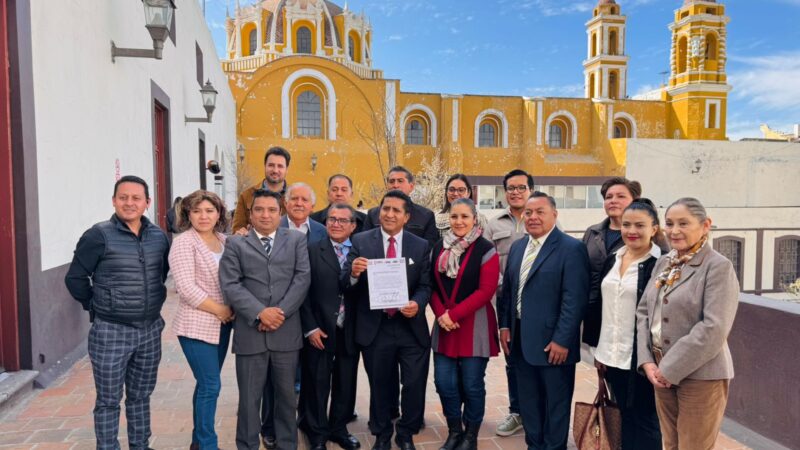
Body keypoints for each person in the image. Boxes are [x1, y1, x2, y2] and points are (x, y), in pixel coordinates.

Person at [64, 175, 170, 450]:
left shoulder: (158, 236)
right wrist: (96, 306)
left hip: (149, 331)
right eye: (123, 197)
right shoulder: (98, 235)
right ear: (114, 201)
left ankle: (140, 445)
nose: (129, 203)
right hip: (111, 331)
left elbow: (161, 274)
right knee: (109, 399)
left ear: (147, 202)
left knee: (140, 396)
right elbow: (75, 278)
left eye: (136, 198)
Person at [636, 197, 739, 450]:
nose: (674, 230)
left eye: (684, 223)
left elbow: (713, 328)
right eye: (669, 223)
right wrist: (647, 361)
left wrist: (668, 369)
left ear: (705, 225)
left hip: (701, 375)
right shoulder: (665, 262)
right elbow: (643, 313)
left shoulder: (717, 267)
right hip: (660, 373)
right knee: (670, 443)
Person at [497, 191, 590, 450]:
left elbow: (574, 300)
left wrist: (562, 340)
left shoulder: (572, 248)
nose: (533, 217)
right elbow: (508, 291)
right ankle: (534, 445)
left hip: (553, 346)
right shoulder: (518, 247)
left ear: (554, 215)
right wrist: (504, 325)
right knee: (529, 404)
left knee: (555, 406)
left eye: (540, 212)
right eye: (529, 212)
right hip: (520, 343)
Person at [219, 189, 311, 450]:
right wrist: (260, 312)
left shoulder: (295, 240)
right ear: (250, 213)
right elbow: (231, 284)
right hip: (251, 333)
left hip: (286, 332)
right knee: (249, 401)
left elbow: (302, 279)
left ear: (280, 212)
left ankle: (286, 445)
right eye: (259, 209)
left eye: (271, 210)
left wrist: (278, 313)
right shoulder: (236, 243)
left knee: (286, 399)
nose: (265, 215)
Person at [342, 190, 432, 450]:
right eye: (385, 209)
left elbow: (426, 285)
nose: (389, 214)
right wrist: (354, 274)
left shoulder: (420, 245)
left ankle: (405, 432)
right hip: (375, 326)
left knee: (414, 382)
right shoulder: (360, 241)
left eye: (396, 210)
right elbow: (346, 284)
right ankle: (382, 434)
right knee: (380, 383)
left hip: (410, 326)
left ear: (406, 216)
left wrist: (417, 302)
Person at [584, 199, 665, 449]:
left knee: (646, 421)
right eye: (627, 224)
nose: (631, 230)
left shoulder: (660, 264)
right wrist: (598, 348)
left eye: (640, 225)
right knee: (621, 418)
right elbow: (602, 307)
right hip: (612, 354)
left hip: (643, 358)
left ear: (654, 228)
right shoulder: (613, 259)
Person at [429, 198, 500, 450]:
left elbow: (486, 290)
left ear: (474, 219)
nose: (459, 222)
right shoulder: (438, 247)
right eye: (454, 216)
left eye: (464, 217)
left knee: (471, 384)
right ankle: (454, 431)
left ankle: (470, 436)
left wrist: (453, 315)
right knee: (444, 382)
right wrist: (441, 315)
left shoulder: (486, 248)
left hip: (474, 325)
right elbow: (431, 287)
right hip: (444, 326)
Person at [168, 190, 234, 450]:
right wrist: (220, 309)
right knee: (210, 385)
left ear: (219, 213)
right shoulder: (184, 242)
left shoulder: (225, 240)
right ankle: (208, 444)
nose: (203, 216)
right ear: (188, 214)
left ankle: (197, 442)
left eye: (209, 210)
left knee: (206, 383)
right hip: (196, 325)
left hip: (222, 326)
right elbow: (186, 288)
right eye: (196, 211)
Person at [299, 204, 362, 450]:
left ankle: (339, 428)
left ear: (353, 225)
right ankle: (317, 432)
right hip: (320, 328)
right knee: (317, 381)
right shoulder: (311, 250)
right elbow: (301, 292)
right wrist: (310, 328)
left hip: (350, 328)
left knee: (346, 382)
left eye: (342, 220)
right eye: (331, 219)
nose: (336, 224)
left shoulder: (362, 251)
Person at [483, 169, 534, 437]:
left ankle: (535, 411)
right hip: (505, 303)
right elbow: (487, 263)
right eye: (511, 188)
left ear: (530, 191)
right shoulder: (494, 224)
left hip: (537, 305)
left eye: (521, 187)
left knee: (536, 359)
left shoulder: (542, 218)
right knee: (513, 358)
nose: (516, 192)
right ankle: (517, 412)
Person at [582, 177, 642, 346]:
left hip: (630, 314)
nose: (613, 201)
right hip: (596, 312)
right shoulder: (592, 233)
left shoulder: (643, 235)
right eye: (609, 197)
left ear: (634, 201)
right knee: (600, 364)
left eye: (621, 196)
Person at [364, 166, 439, 248]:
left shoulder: (426, 215)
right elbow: (365, 243)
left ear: (411, 186)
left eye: (400, 181)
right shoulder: (373, 214)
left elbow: (430, 248)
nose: (395, 185)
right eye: (391, 181)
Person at [232, 146, 291, 235]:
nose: (275, 170)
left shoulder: (295, 198)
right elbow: (237, 229)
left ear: (287, 169)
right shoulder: (247, 196)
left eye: (280, 166)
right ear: (265, 166)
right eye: (271, 165)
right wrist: (242, 234)